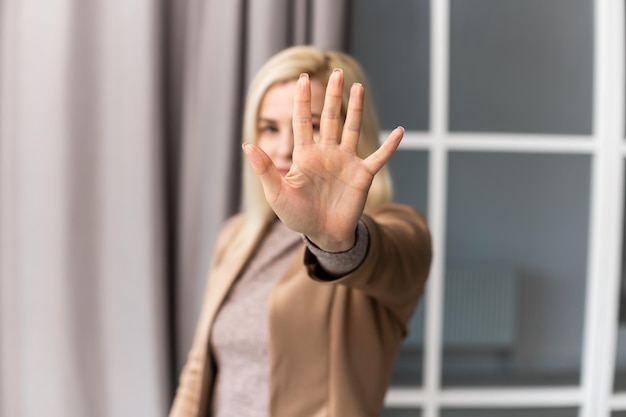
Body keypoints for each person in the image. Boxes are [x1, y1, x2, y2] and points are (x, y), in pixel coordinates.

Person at [169, 45, 432, 417]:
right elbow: (199, 369)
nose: (285, 147)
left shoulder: (397, 231)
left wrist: (333, 238)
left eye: (307, 125)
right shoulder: (237, 238)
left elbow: (379, 254)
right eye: (269, 128)